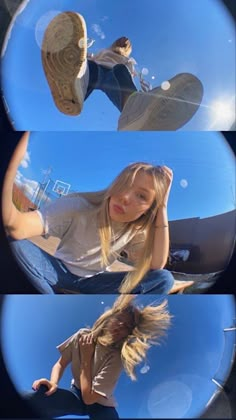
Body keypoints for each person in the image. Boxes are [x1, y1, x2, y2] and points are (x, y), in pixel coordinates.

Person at [3, 132, 175, 294]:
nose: (125, 197)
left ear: (149, 210)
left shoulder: (134, 231)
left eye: (141, 196)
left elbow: (157, 264)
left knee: (163, 279)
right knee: (11, 241)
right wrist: (10, 163)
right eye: (125, 184)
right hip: (56, 269)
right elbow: (16, 226)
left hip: (95, 282)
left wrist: (163, 207)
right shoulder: (78, 206)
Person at [41, 12, 204, 131]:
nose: (123, 42)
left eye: (126, 45)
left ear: (127, 51)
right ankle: (75, 85)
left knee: (120, 71)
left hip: (115, 77)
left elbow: (132, 74)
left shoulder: (127, 61)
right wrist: (77, 54)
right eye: (121, 41)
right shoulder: (103, 52)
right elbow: (90, 56)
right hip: (95, 70)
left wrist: (145, 91)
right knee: (89, 69)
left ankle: (133, 109)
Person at [22, 295, 172, 419]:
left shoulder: (117, 358)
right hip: (76, 393)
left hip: (101, 405)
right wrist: (53, 382)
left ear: (129, 334)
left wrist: (86, 359)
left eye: (126, 326)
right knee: (33, 399)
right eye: (119, 318)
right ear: (109, 318)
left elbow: (90, 398)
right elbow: (61, 363)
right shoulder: (82, 335)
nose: (120, 324)